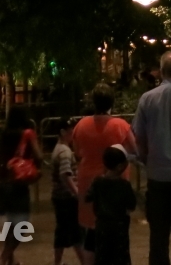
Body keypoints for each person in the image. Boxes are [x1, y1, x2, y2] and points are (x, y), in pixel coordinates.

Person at [132, 52, 171, 265]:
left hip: (158, 174)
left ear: (161, 71)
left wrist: (145, 159)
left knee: (158, 233)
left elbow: (139, 136)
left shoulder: (148, 99)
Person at [72, 84, 137, 265]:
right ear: (112, 102)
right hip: (116, 182)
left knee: (92, 232)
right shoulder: (121, 125)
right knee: (116, 231)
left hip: (88, 181)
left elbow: (77, 151)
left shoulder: (81, 125)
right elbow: (133, 149)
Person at [0, 106, 43, 265]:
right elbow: (39, 156)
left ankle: (11, 259)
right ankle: (3, 258)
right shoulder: (28, 133)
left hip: (4, 183)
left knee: (11, 223)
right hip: (19, 184)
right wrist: (33, 166)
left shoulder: (3, 135)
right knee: (21, 225)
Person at [85, 146, 138, 265]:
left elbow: (88, 197)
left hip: (101, 225)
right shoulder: (124, 185)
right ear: (120, 166)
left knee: (102, 256)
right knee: (120, 256)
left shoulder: (98, 181)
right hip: (119, 226)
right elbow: (131, 205)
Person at [52, 118, 83, 265]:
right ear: (63, 132)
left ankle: (58, 261)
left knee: (63, 231)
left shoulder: (59, 149)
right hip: (67, 197)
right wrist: (76, 192)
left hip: (59, 196)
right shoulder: (64, 151)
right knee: (75, 231)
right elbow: (65, 174)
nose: (73, 134)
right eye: (71, 131)